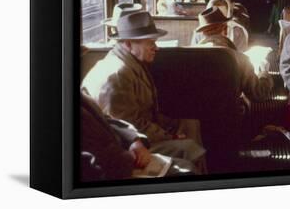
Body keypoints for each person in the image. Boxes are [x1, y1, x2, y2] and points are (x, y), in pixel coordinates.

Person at [82, 11, 206, 170]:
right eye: (150, 42)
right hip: (128, 145)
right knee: (188, 147)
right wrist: (169, 136)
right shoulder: (116, 75)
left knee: (191, 125)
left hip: (144, 130)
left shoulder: (131, 64)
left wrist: (168, 129)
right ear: (128, 44)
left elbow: (147, 112)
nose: (156, 48)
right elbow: (129, 126)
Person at [195, 7, 274, 102]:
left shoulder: (190, 59)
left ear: (203, 34)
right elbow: (259, 93)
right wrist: (264, 73)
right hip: (228, 114)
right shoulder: (238, 59)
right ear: (225, 29)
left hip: (195, 114)